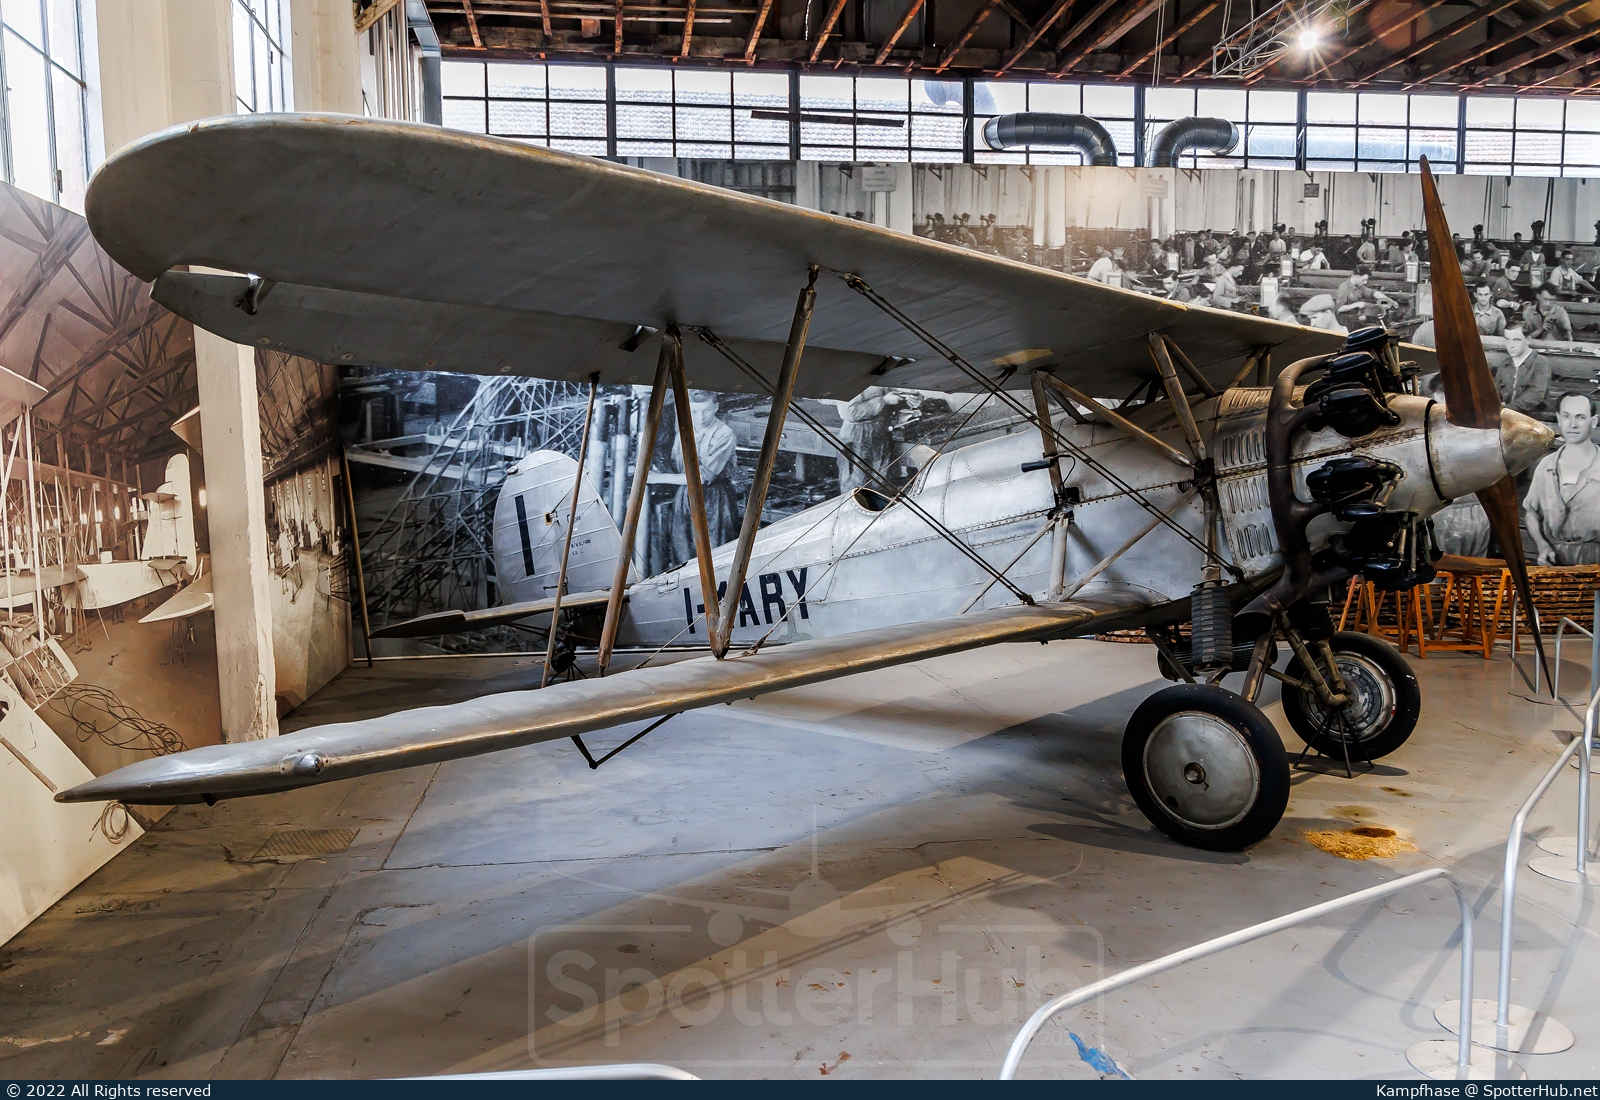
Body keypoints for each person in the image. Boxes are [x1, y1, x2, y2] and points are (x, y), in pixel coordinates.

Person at [1525, 392, 1600, 566]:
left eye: (1580, 417)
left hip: (1595, 562)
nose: (1572, 425)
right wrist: (1542, 545)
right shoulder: (1546, 465)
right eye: (1566, 416)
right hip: (1554, 561)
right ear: (1559, 419)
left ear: (1594, 421)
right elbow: (1531, 512)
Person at [669, 391, 740, 569]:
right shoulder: (684, 431)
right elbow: (676, 463)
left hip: (716, 499)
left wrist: (656, 478)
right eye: (694, 412)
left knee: (715, 555)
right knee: (683, 551)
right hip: (685, 496)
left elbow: (702, 477)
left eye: (706, 410)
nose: (700, 417)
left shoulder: (725, 434)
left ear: (715, 407)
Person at [838, 386, 917, 495]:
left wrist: (907, 398)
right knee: (857, 486)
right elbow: (850, 412)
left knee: (881, 481)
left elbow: (885, 393)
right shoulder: (850, 379)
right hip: (858, 433)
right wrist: (884, 400)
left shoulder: (878, 376)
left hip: (878, 430)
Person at [1497, 324, 1551, 415]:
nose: (1511, 345)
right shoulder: (1505, 364)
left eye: (1516, 340)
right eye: (1507, 340)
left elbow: (1536, 394)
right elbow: (1495, 391)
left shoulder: (1541, 363)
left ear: (1527, 340)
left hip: (1533, 418)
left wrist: (1508, 409)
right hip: (1507, 416)